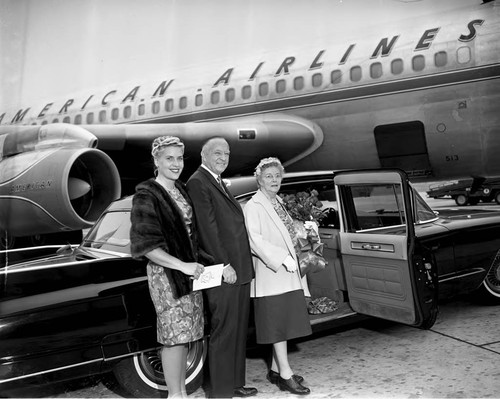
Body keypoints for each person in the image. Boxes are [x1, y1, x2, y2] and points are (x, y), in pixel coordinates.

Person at [130, 136, 210, 398]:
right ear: (156, 160)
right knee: (173, 337)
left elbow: (191, 235)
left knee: (187, 335)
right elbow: (146, 246)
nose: (176, 164)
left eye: (179, 158)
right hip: (166, 275)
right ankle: (176, 395)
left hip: (188, 272)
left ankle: (181, 392)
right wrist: (183, 266)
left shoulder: (182, 189)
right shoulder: (147, 194)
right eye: (169, 158)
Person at [186, 137, 257, 398]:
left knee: (237, 330)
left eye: (226, 154)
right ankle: (221, 392)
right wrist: (223, 264)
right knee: (224, 331)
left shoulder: (216, 181)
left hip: (239, 270)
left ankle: (234, 383)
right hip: (223, 271)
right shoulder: (198, 181)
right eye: (217, 153)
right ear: (203, 155)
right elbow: (208, 230)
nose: (223, 158)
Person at [243, 157, 312, 396]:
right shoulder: (254, 205)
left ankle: (274, 369)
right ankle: (285, 375)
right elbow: (254, 240)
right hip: (271, 274)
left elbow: (284, 230)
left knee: (284, 322)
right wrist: (282, 258)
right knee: (278, 326)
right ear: (259, 179)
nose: (274, 180)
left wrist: (303, 228)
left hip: (288, 274)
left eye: (277, 175)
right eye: (268, 176)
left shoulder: (277, 201)